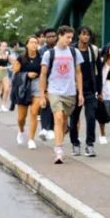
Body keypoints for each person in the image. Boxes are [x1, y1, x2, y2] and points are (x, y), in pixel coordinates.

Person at [38, 26, 85, 164]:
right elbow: (43, 75)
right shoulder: (49, 54)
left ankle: (60, 142)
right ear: (60, 35)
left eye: (71, 38)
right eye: (67, 37)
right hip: (54, 91)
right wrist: (42, 95)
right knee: (58, 118)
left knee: (64, 121)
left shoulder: (75, 52)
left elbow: (78, 73)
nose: (69, 40)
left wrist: (80, 93)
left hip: (70, 91)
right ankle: (58, 150)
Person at [68, 26, 101, 157]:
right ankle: (75, 144)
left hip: (90, 88)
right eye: (83, 34)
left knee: (91, 117)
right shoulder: (71, 50)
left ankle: (90, 144)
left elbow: (98, 70)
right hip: (74, 88)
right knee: (74, 118)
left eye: (88, 34)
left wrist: (99, 90)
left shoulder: (93, 50)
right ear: (78, 36)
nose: (86, 36)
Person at [12, 36, 43, 149]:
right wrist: (27, 75)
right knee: (21, 118)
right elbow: (15, 75)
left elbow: (45, 73)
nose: (34, 45)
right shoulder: (20, 58)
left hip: (37, 85)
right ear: (27, 45)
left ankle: (31, 139)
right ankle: (21, 131)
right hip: (24, 87)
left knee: (34, 112)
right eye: (32, 42)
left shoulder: (41, 58)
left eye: (36, 43)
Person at [37, 28, 58, 139]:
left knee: (55, 105)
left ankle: (51, 128)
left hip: (57, 81)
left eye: (53, 36)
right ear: (45, 38)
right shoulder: (41, 51)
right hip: (45, 80)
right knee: (45, 104)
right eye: (49, 37)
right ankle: (45, 128)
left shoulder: (60, 49)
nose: (51, 38)